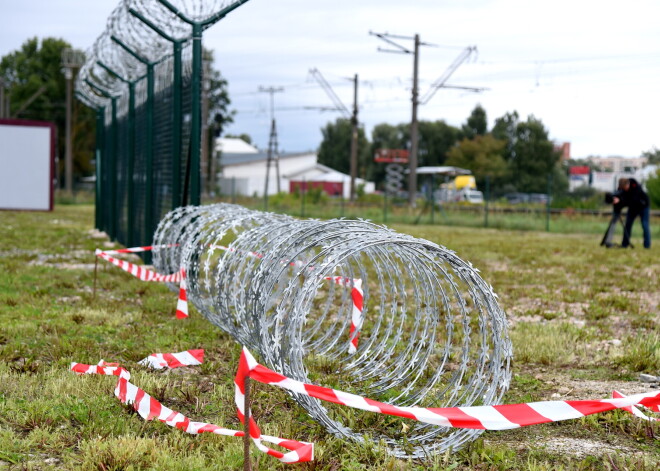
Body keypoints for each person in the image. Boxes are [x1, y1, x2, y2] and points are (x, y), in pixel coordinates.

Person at [613, 178, 651, 249]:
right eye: (623, 189)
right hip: (632, 208)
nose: (625, 190)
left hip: (643, 206)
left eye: (625, 188)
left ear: (628, 184)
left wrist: (620, 201)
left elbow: (633, 200)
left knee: (645, 224)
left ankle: (647, 245)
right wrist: (617, 204)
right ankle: (625, 244)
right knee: (628, 224)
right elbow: (623, 202)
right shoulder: (621, 190)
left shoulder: (636, 186)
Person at [602, 178, 628, 248]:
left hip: (617, 211)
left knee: (613, 225)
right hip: (616, 211)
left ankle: (607, 241)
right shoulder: (620, 192)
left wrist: (620, 200)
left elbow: (627, 201)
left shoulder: (625, 193)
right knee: (613, 225)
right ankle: (607, 241)